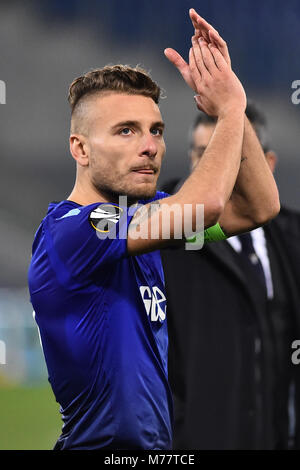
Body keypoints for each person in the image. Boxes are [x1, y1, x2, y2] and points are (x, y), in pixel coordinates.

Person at [28, 9, 279, 450]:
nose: (149, 146)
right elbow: (207, 204)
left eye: (156, 130)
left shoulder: (146, 220)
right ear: (80, 148)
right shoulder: (73, 232)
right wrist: (230, 111)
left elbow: (258, 206)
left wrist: (233, 109)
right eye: (126, 131)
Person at [161, 103, 300, 449]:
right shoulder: (164, 233)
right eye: (201, 155)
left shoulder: (291, 238)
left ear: (265, 166)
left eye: (224, 155)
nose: (209, 169)